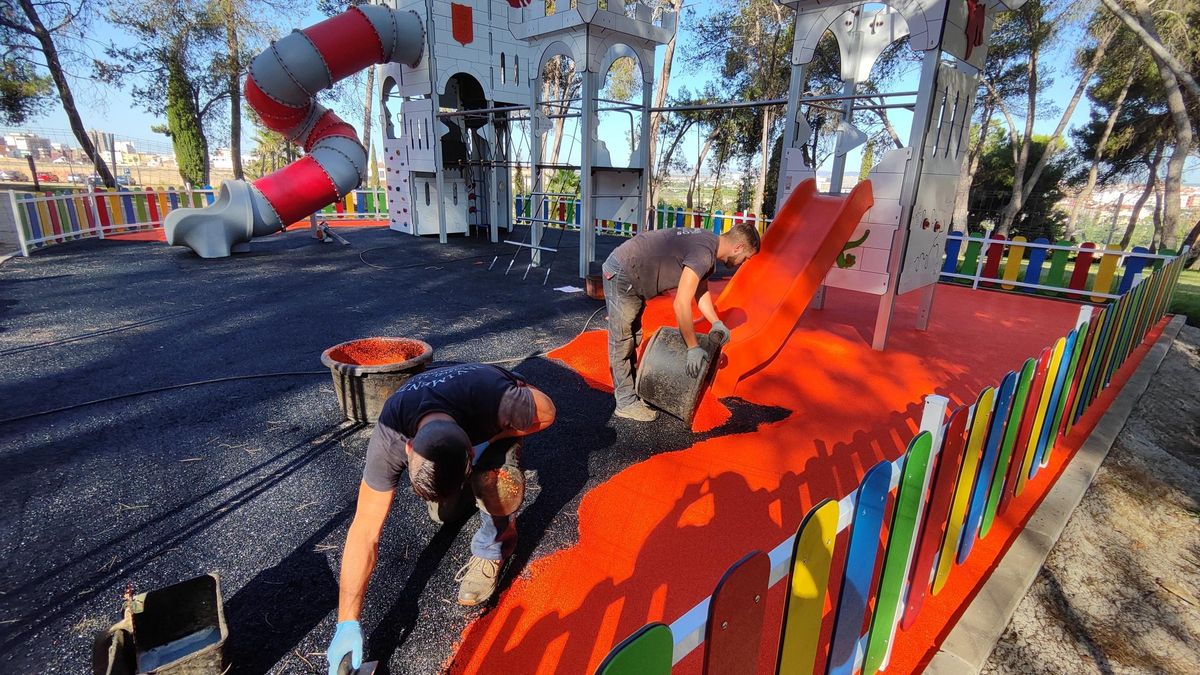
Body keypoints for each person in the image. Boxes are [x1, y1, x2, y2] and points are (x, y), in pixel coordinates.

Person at [326, 363, 556, 675]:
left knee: (495, 482)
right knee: (445, 514)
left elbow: (548, 411)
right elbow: (364, 529)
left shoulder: (498, 401)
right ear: (408, 448)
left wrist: (496, 433)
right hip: (458, 428)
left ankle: (493, 546)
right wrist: (347, 622)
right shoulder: (391, 431)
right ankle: (459, 488)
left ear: (470, 455)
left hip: (490, 422)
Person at [601, 222, 761, 421]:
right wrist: (692, 347)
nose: (742, 263)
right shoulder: (704, 253)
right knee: (623, 339)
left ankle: (631, 391)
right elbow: (681, 303)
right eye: (745, 257)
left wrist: (715, 322)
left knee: (634, 335)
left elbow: (700, 292)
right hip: (623, 271)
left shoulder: (709, 247)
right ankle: (625, 402)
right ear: (738, 247)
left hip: (636, 272)